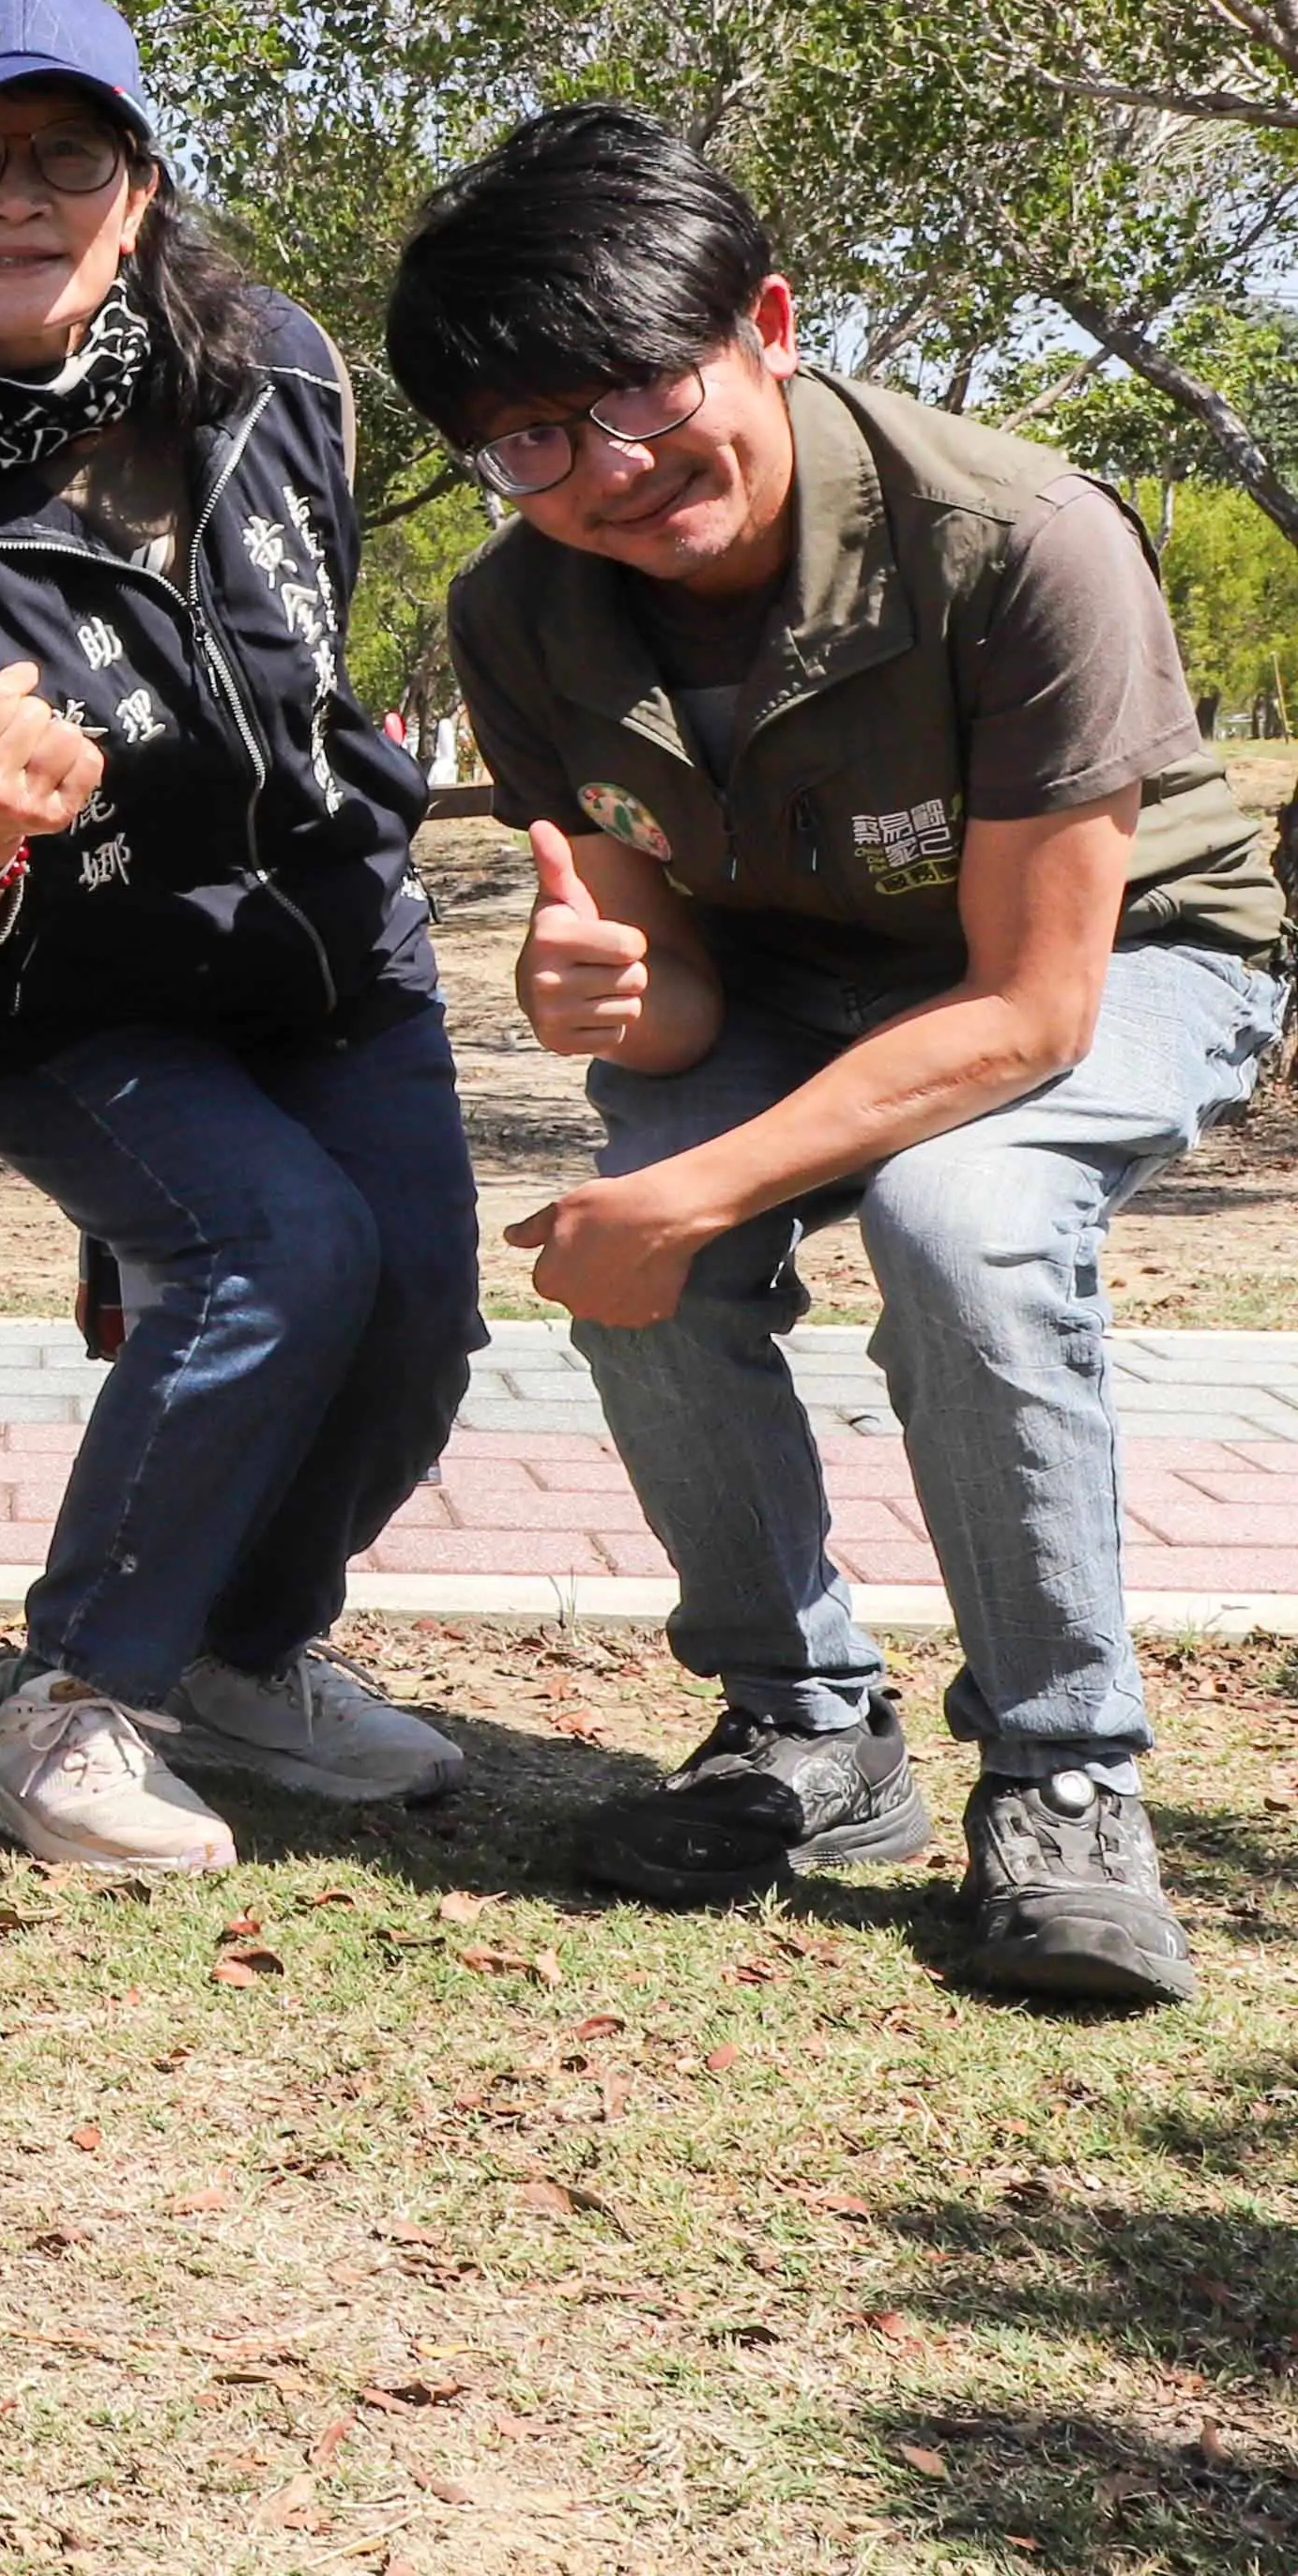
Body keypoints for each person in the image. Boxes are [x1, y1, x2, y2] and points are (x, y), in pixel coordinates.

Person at [392, 105, 1286, 2005]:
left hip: (1126, 953)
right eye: (533, 437)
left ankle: (1066, 1785)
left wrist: (691, 1184)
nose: (610, 468)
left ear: (768, 325)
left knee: (958, 1221)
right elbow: (679, 982)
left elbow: (1031, 1013)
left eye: (641, 386)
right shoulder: (516, 619)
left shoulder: (1023, 540)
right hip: (800, 978)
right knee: (635, 1256)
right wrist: (606, 990)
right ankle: (806, 1729)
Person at [0, 0, 482, 1872]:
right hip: (54, 986)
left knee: (417, 1307)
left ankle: (249, 1655)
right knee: (275, 1250)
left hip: (329, 954)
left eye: (67, 153)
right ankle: (70, 1707)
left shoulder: (278, 366)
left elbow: (311, 665)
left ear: (142, 184)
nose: (15, 196)